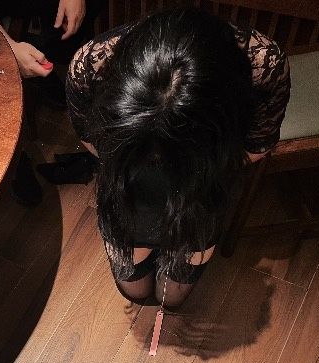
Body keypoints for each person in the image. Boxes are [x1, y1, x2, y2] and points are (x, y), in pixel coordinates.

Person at [66, 8, 290, 306]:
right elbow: (91, 139)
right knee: (135, 287)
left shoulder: (264, 66)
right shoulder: (90, 66)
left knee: (172, 295)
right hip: (130, 178)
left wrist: (198, 170)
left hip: (204, 176)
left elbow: (257, 146)